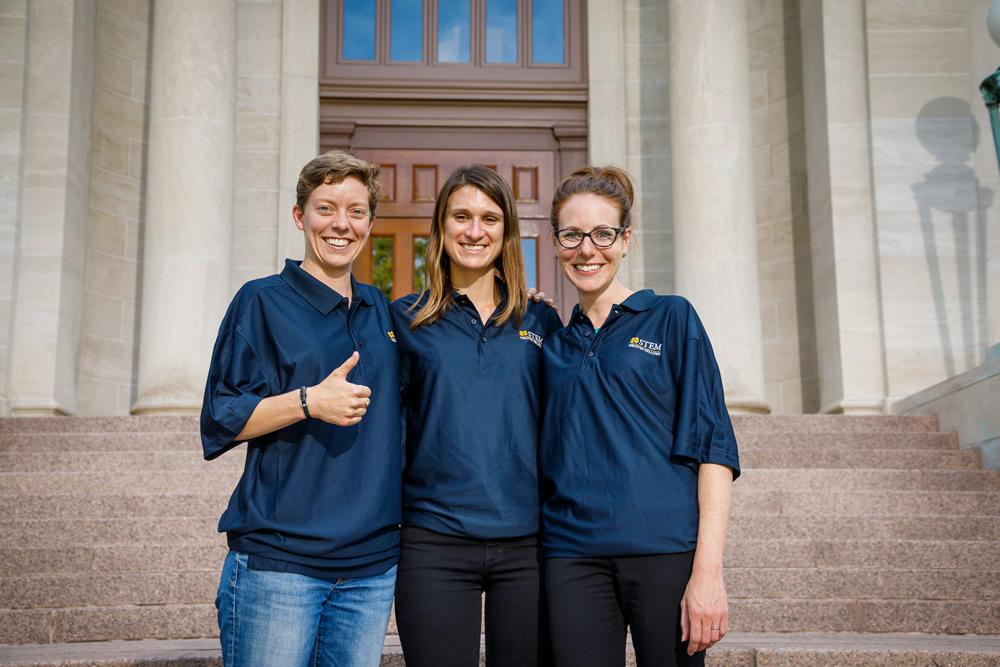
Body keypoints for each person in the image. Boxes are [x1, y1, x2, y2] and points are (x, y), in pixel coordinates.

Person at [201, 151, 401, 667]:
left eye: (356, 211)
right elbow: (222, 415)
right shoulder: (261, 302)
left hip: (371, 570)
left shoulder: (384, 309)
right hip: (280, 564)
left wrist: (521, 301)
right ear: (299, 216)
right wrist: (309, 401)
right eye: (326, 208)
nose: (341, 224)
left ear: (370, 223)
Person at [538, 166, 740, 667]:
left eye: (603, 234)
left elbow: (712, 445)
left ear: (625, 240)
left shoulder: (672, 317)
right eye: (572, 235)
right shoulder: (552, 344)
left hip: (665, 550)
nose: (588, 249)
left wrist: (708, 572)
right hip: (571, 555)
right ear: (556, 243)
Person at [390, 165, 563, 667]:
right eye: (461, 216)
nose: (474, 231)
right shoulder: (404, 318)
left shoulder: (542, 319)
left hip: (527, 545)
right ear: (441, 228)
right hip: (433, 542)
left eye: (490, 218)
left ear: (507, 231)